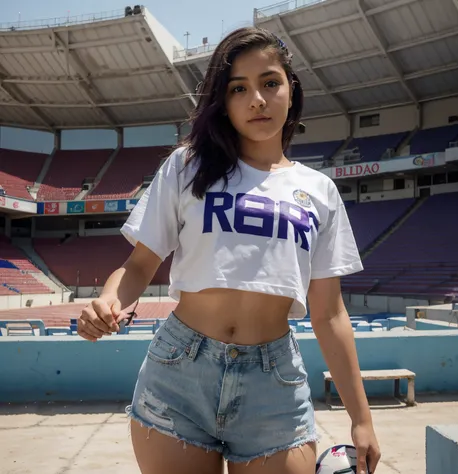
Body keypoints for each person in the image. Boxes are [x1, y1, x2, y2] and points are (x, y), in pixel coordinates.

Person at [77, 27, 381, 474]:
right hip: (179, 372)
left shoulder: (319, 191)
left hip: (274, 384)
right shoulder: (187, 166)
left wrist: (362, 419)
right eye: (239, 88)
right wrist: (108, 302)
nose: (257, 99)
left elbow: (330, 313)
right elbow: (139, 265)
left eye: (270, 82)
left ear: (291, 91)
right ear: (225, 101)